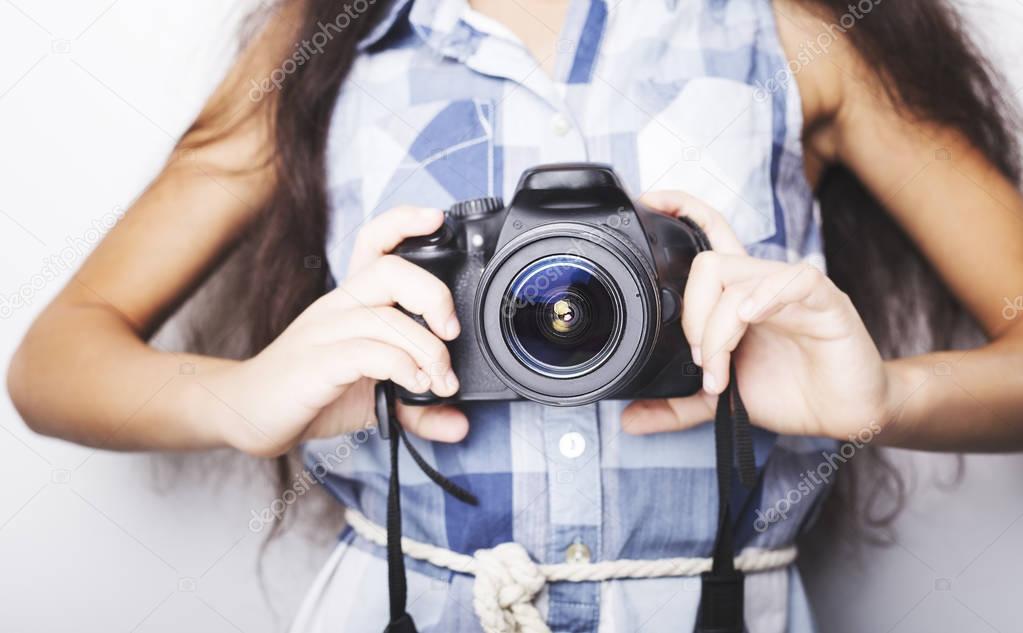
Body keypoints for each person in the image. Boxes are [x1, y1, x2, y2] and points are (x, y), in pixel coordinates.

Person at [8, 0, 1023, 630]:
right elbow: (53, 363)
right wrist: (238, 396)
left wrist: (885, 393)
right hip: (410, 602)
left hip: (712, 610)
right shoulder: (327, 42)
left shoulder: (797, 33)